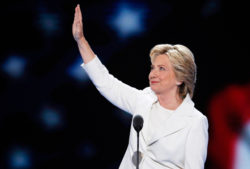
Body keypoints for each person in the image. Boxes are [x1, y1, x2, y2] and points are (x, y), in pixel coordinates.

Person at [72, 4, 209, 169]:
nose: (153, 74)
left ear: (180, 78)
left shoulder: (195, 122)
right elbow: (107, 83)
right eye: (153, 68)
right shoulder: (144, 99)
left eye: (162, 69)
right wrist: (81, 40)